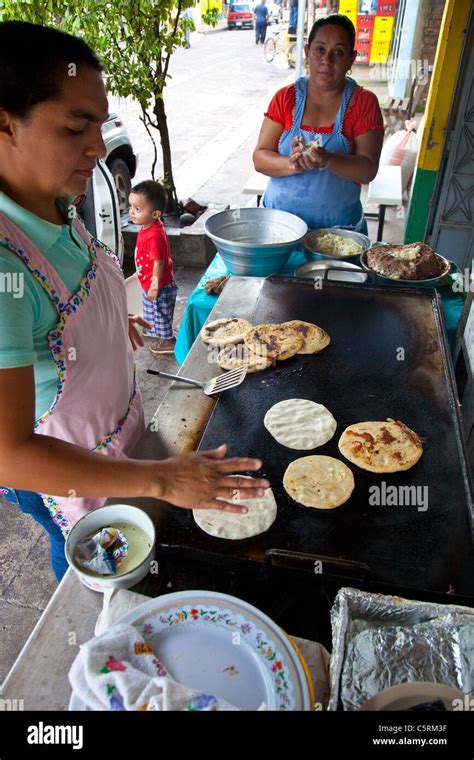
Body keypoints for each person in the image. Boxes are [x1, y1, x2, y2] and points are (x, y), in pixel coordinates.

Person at [0, 21, 270, 581]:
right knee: (90, 558)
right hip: (63, 468)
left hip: (117, 427)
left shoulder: (52, 199)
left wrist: (101, 328)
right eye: (77, 128)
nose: (99, 148)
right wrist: (163, 479)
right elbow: (10, 453)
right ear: (5, 124)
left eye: (99, 124)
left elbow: (64, 301)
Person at [253, 13, 384, 233]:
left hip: (338, 235)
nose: (327, 60)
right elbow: (260, 157)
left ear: (351, 59)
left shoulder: (363, 103)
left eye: (338, 53)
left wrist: (327, 160)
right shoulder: (286, 98)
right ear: (307, 52)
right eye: (320, 49)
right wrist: (292, 163)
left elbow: (368, 170)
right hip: (279, 229)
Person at [129, 181, 177, 356]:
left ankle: (167, 341)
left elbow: (159, 262)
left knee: (160, 312)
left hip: (158, 284)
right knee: (150, 308)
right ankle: (151, 329)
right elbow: (144, 256)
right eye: (131, 206)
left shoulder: (154, 235)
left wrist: (154, 285)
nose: (131, 212)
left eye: (137, 209)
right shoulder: (147, 226)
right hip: (149, 279)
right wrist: (140, 271)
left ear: (155, 213)